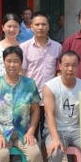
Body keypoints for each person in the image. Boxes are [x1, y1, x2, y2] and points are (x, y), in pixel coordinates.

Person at [21, 11, 62, 144]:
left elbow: (59, 73)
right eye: (37, 24)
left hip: (50, 98)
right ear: (31, 26)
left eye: (43, 24)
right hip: (30, 98)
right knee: (30, 134)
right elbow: (21, 73)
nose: (40, 27)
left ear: (48, 26)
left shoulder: (57, 47)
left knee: (49, 133)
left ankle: (46, 157)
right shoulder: (24, 47)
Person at [0, 13, 21, 79]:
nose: (12, 29)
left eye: (15, 27)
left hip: (17, 83)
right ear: (3, 27)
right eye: (9, 26)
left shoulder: (24, 47)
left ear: (19, 28)